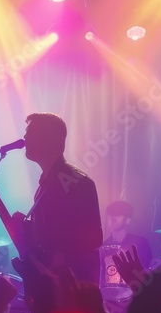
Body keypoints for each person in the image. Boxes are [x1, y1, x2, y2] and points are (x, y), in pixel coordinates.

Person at [20, 112, 103, 286]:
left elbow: (93, 238)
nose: (24, 137)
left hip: (74, 291)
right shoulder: (46, 183)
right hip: (55, 288)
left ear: (48, 138)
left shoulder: (76, 182)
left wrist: (58, 261)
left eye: (30, 132)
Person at [103, 200, 153, 267]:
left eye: (114, 218)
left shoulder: (141, 243)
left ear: (127, 220)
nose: (110, 222)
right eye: (109, 218)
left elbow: (147, 270)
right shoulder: (104, 246)